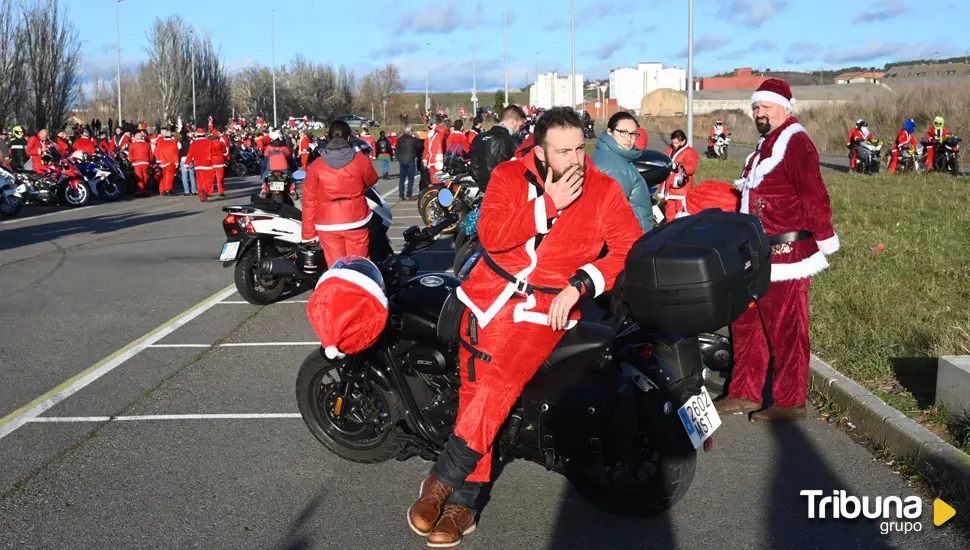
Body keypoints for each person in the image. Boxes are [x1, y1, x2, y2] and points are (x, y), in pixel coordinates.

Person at [405, 107, 643, 546]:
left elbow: (628, 246)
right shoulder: (510, 176)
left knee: (498, 384)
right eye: (563, 151)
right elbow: (493, 235)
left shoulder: (604, 190)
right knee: (475, 394)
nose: (575, 160)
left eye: (579, 148)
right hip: (486, 296)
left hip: (545, 307)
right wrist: (548, 205)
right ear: (539, 149)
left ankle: (444, 480)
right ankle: (463, 506)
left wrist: (580, 286)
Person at [714, 78, 839, 422]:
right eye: (755, 107)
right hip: (756, 252)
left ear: (785, 107)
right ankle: (744, 391)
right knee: (746, 322)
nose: (759, 113)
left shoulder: (796, 142)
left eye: (765, 107)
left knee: (787, 328)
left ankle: (789, 400)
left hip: (788, 253)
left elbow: (814, 194)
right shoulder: (765, 145)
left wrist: (825, 235)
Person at [301, 120, 379, 268]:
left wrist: (308, 234)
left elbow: (309, 201)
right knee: (359, 266)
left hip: (327, 223)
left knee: (337, 267)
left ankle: (340, 289)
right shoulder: (360, 160)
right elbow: (372, 180)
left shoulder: (316, 165)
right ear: (349, 138)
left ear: (328, 138)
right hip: (356, 218)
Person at [589, 111, 653, 231]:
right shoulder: (616, 167)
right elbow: (614, 215)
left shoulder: (605, 153)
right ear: (610, 132)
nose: (629, 139)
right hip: (631, 236)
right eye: (623, 132)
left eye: (633, 134)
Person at [468, 105, 526, 191]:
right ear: (513, 122)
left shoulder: (479, 138)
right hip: (504, 195)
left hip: (483, 192)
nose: (519, 130)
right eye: (520, 126)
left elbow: (473, 168)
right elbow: (521, 173)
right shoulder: (513, 142)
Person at [660, 130, 699, 222]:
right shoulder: (668, 150)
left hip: (681, 187)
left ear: (683, 141)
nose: (674, 145)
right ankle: (669, 230)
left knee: (680, 213)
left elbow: (691, 168)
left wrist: (677, 166)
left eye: (676, 143)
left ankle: (680, 232)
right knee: (669, 212)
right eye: (673, 142)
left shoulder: (690, 152)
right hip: (669, 186)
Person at [260, 130, 296, 196]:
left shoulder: (269, 148)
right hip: (284, 170)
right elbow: (291, 161)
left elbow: (264, 162)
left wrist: (262, 174)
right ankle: (292, 189)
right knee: (292, 177)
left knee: (264, 176)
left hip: (270, 170)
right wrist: (295, 170)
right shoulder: (285, 148)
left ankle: (264, 188)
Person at [185, 128, 214, 201]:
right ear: (204, 134)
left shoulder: (193, 143)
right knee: (208, 179)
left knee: (199, 181)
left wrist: (187, 164)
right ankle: (205, 190)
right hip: (207, 163)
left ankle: (201, 197)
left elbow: (189, 155)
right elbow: (213, 152)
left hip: (197, 164)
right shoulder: (209, 142)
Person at [395, 126, 420, 200]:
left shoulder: (400, 139)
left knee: (402, 179)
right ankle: (409, 195)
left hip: (402, 160)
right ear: (410, 132)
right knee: (411, 179)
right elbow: (419, 146)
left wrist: (399, 158)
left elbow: (397, 150)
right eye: (412, 131)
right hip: (410, 160)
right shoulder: (413, 139)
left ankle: (401, 195)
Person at [154, 128, 180, 196]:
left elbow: (157, 152)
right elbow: (175, 153)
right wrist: (176, 162)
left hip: (162, 162)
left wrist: (158, 161)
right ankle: (168, 190)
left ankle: (162, 190)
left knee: (163, 177)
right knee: (169, 177)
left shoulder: (160, 143)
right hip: (170, 162)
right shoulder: (173, 143)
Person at [128, 131, 153, 196]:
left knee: (139, 177)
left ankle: (141, 190)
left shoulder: (132, 145)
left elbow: (130, 155)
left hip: (136, 163)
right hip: (146, 162)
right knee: (145, 176)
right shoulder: (147, 144)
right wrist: (149, 161)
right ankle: (144, 189)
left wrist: (132, 160)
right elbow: (151, 155)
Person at [209, 130, 229, 196]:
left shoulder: (209, 144)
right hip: (220, 161)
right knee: (220, 178)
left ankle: (209, 192)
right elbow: (224, 151)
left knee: (211, 178)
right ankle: (221, 192)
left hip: (212, 161)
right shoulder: (221, 143)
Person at [178, 129, 197, 196]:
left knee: (184, 176)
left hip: (183, 160)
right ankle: (194, 190)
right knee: (192, 176)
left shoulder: (179, 142)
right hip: (190, 159)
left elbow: (178, 152)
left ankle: (187, 191)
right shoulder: (191, 141)